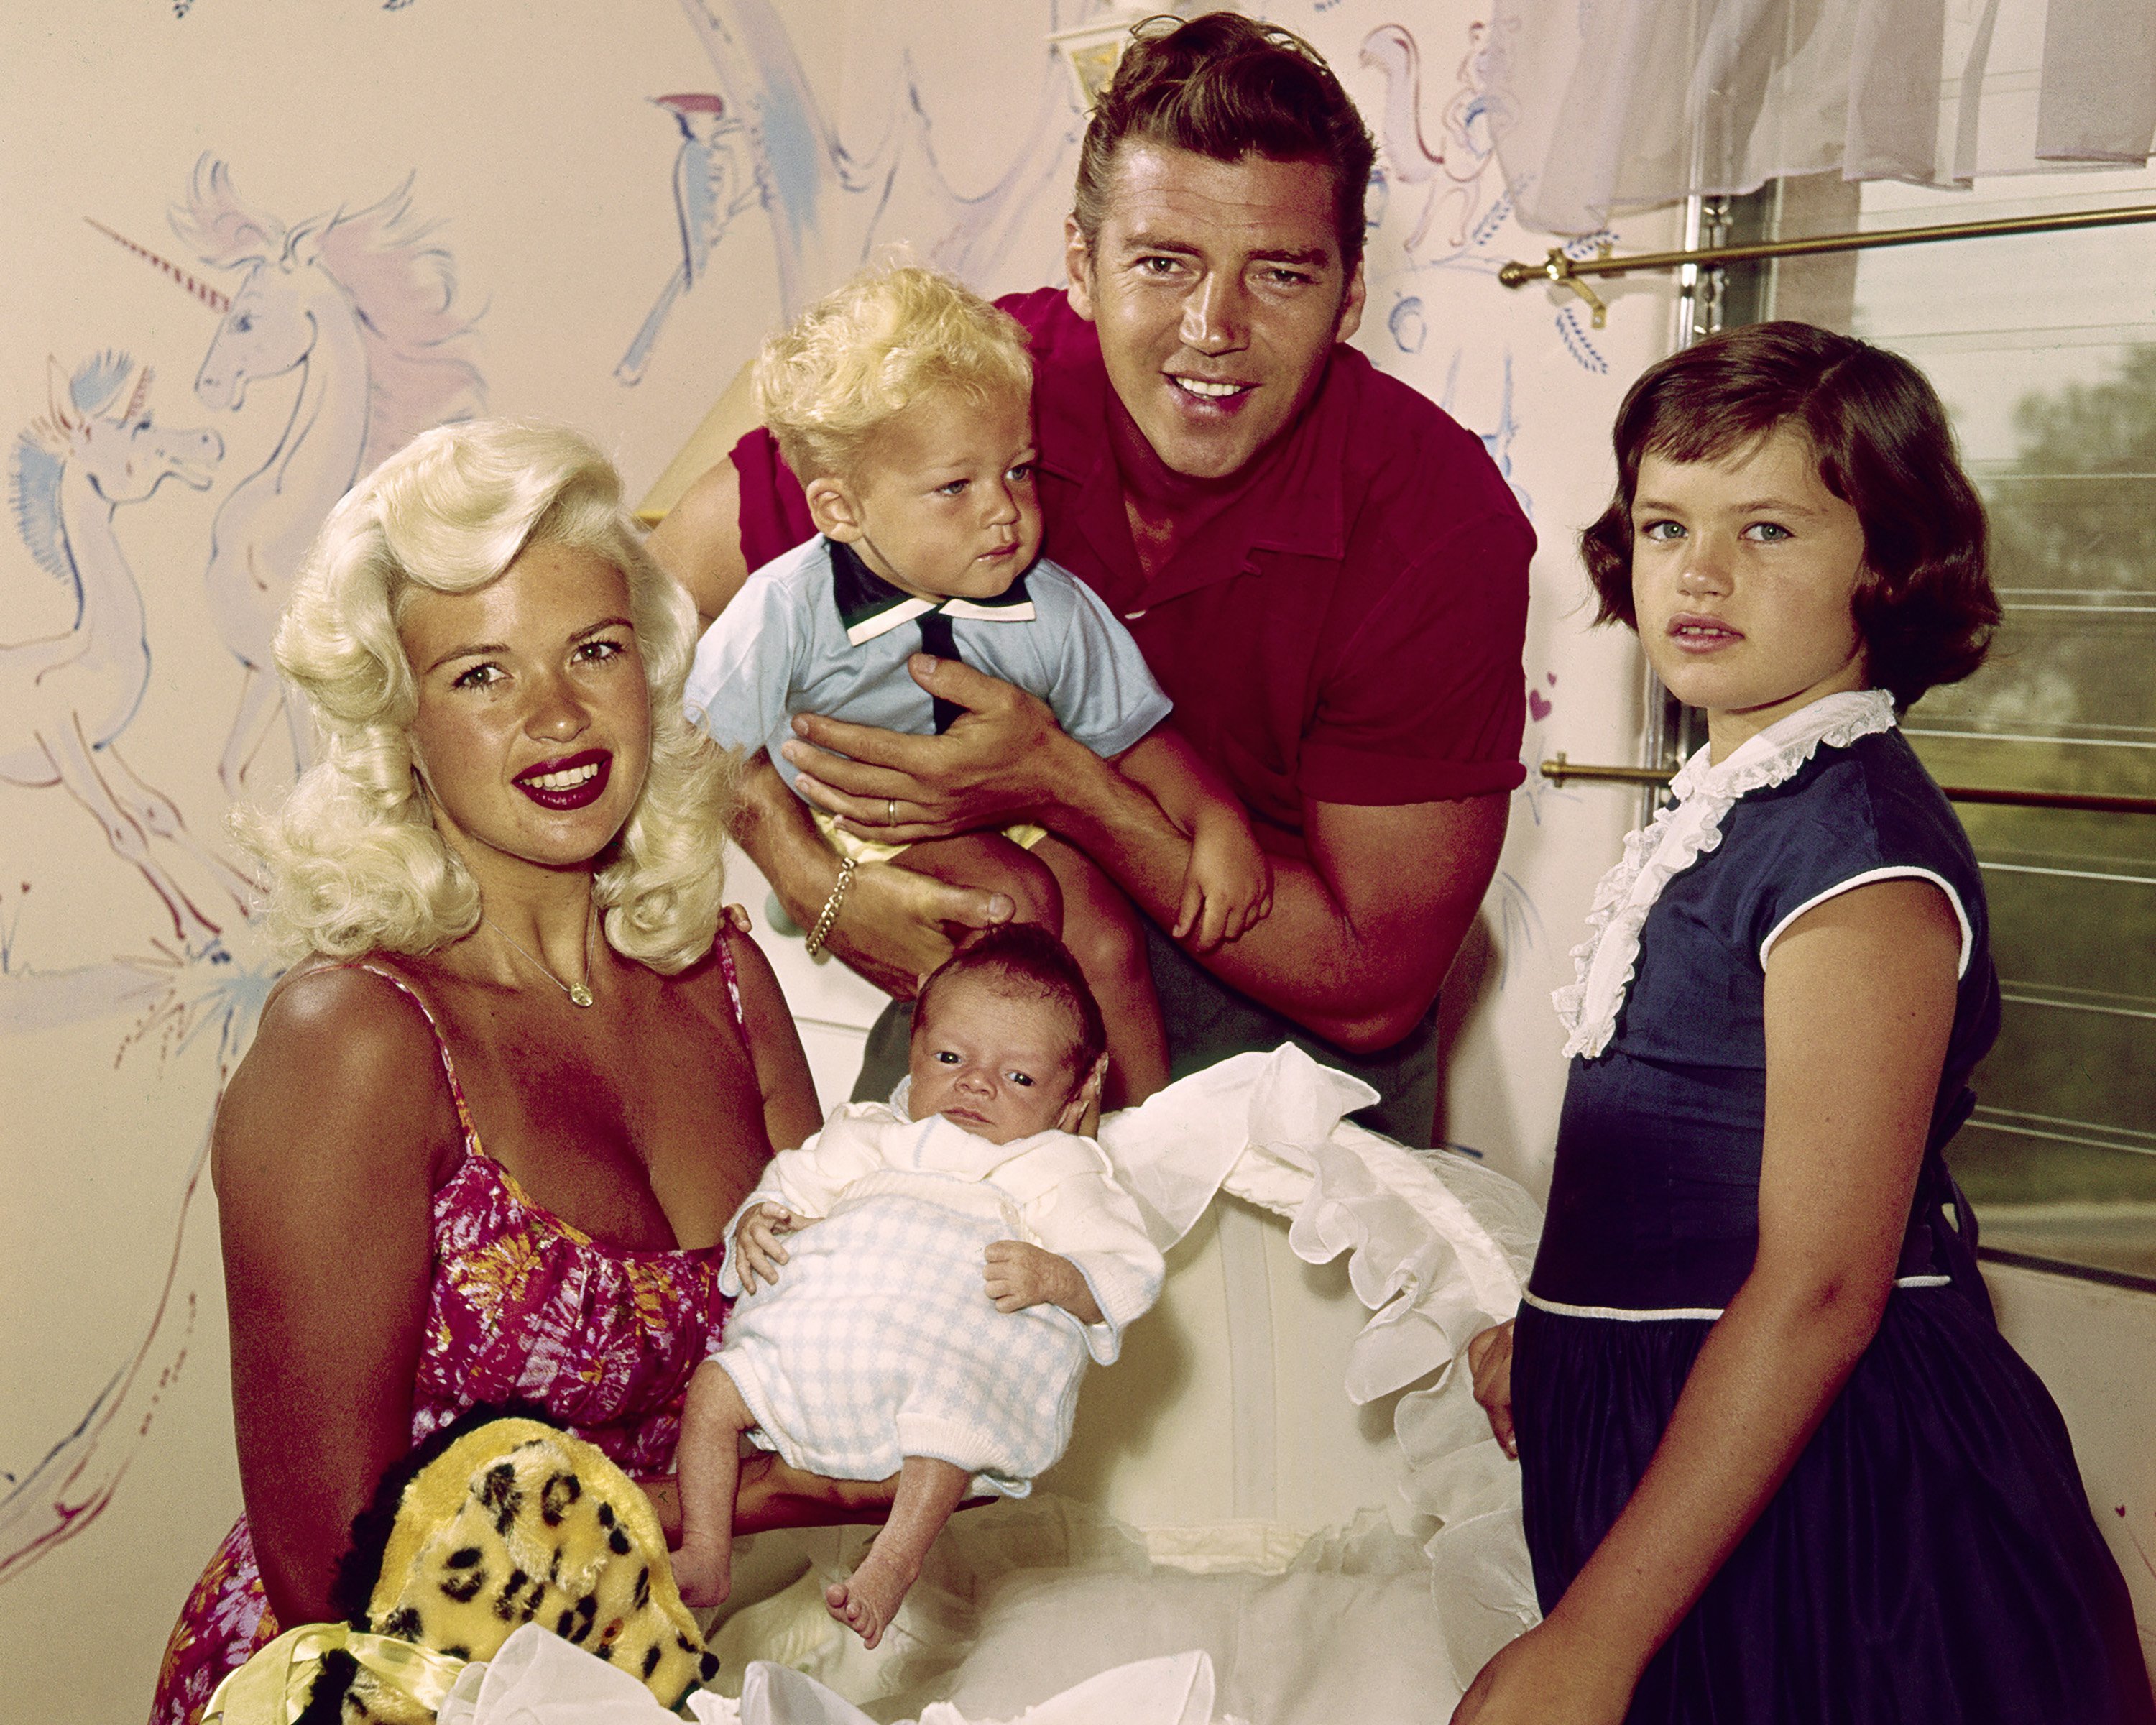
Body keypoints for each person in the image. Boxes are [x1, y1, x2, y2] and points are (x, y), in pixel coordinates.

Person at [650, 12, 1533, 1146]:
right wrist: (812, 872)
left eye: (1280, 273)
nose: (1214, 329)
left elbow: (1371, 987)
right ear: (1081, 263)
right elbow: (656, 607)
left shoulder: (1435, 521)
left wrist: (1063, 784)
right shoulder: (969, 392)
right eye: (1162, 262)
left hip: (1293, 1004)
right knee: (881, 1293)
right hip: (1007, 968)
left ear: (1351, 295)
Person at [1454, 324, 2155, 1725]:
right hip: (1677, 1444)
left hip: (1838, 1513)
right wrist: (1561, 1313)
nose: (1700, 573)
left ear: (1885, 566)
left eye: (1767, 527)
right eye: (1666, 524)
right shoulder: (1738, 805)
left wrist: (1591, 1643)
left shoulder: (1856, 856)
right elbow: (1689, 1149)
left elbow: (1827, 1285)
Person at [149, 422, 892, 1725]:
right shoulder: (356, 1043)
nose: (557, 717)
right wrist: (752, 1498)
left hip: (634, 1682)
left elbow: (822, 1354)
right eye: (482, 674)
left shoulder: (723, 977)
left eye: (593, 652)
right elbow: (336, 1575)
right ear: (400, 722)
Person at [685, 262, 1270, 1109]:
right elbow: (692, 741)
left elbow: (1136, 737)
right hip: (869, 827)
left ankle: (1138, 1139)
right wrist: (805, 873)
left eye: (1019, 471)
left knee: (1105, 936)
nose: (1004, 510)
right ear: (841, 511)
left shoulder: (1051, 606)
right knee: (1014, 909)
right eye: (955, 487)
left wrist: (1217, 822)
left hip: (1010, 807)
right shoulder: (785, 610)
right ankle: (979, 1149)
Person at [673, 924, 1163, 1648]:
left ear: (1069, 1100)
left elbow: (1127, 1270)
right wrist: (755, 1222)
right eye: (950, 1057)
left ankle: (894, 1561)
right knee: (715, 1392)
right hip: (817, 1354)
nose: (976, 1083)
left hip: (942, 1362)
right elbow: (788, 1187)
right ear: (914, 1053)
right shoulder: (864, 1135)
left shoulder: (1057, 1170)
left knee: (951, 1426)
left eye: (1019, 1077)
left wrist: (1058, 1276)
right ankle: (707, 1552)